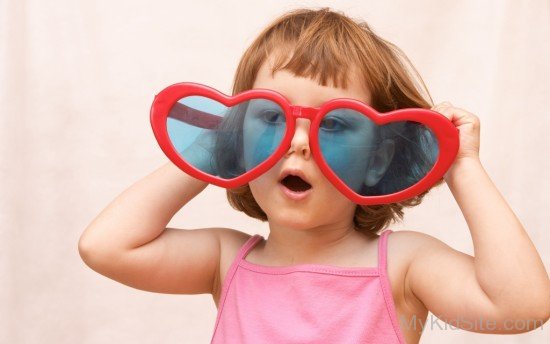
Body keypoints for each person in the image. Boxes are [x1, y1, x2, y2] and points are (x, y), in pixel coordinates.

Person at [78, 7, 550, 344]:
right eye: (270, 118)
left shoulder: (402, 265)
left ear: (378, 160)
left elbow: (522, 308)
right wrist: (219, 147)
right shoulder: (228, 260)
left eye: (336, 123)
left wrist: (463, 165)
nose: (298, 142)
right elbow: (106, 246)